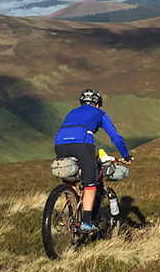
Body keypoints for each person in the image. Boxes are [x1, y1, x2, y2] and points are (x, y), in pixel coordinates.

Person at [54, 89, 131, 233]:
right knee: (90, 183)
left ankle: (72, 210)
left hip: (60, 143)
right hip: (82, 144)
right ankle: (86, 222)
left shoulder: (72, 112)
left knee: (71, 178)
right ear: (97, 104)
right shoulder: (100, 113)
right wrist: (126, 156)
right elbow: (116, 138)